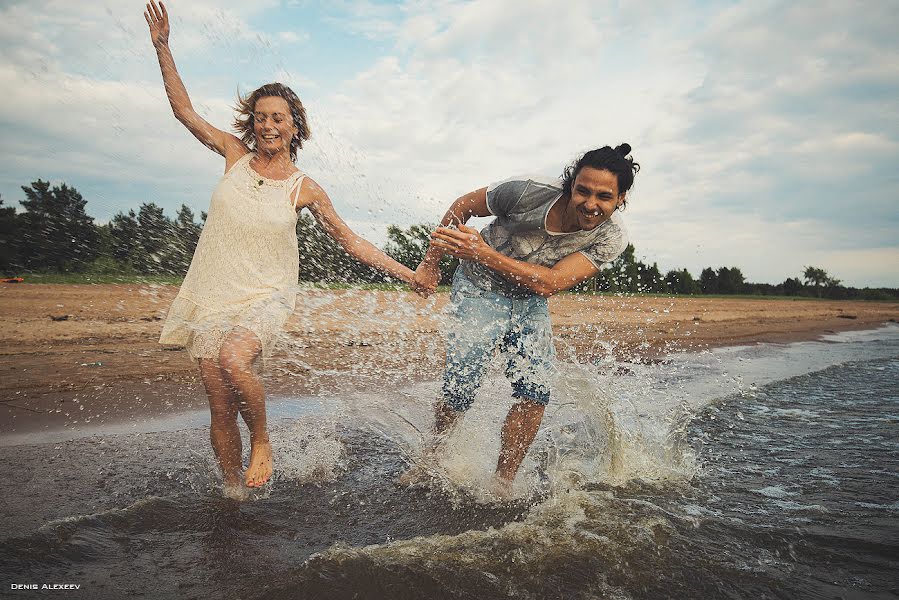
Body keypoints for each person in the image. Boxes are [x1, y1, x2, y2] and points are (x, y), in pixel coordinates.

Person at [145, 1, 416, 495]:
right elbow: (184, 111)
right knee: (219, 402)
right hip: (212, 292)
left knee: (233, 361)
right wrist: (164, 47)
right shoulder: (233, 154)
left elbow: (351, 241)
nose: (269, 126)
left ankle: (264, 441)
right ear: (252, 123)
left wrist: (411, 275)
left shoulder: (303, 187)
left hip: (267, 294)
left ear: (296, 127)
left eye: (279, 118)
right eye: (261, 117)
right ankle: (231, 492)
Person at [409, 145, 639, 497]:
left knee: (534, 392)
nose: (591, 204)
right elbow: (462, 206)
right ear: (571, 185)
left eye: (604, 197)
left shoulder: (611, 237)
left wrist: (483, 251)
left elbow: (550, 283)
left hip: (531, 297)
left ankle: (502, 483)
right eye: (583, 191)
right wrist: (431, 262)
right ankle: (431, 457)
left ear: (620, 199)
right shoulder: (526, 191)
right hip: (478, 285)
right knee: (462, 383)